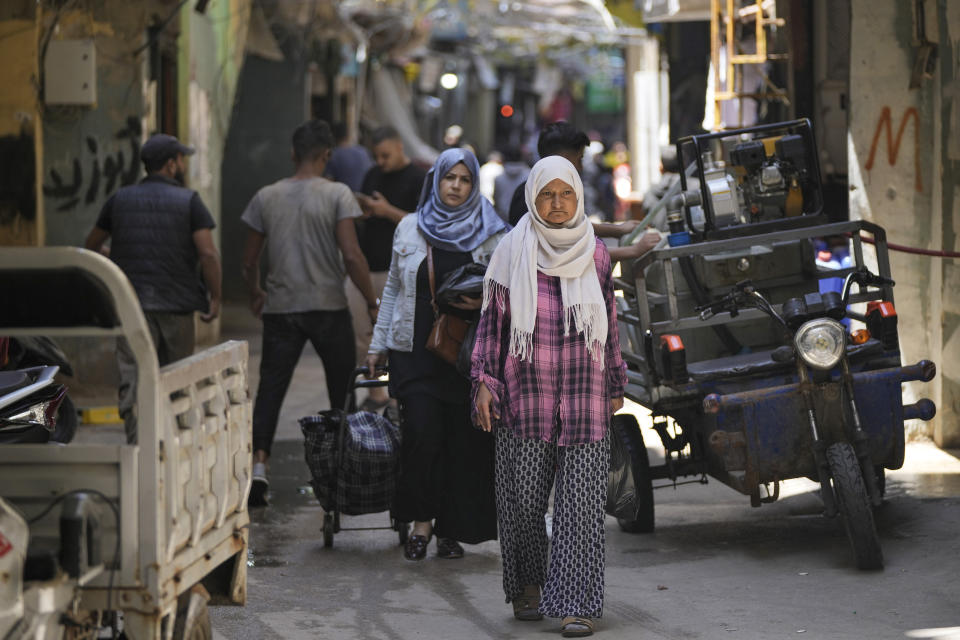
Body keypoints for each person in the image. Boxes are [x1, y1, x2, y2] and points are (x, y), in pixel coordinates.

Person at [472, 156, 627, 637]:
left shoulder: (597, 253)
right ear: (531, 198)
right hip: (527, 396)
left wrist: (617, 382)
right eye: (547, 195)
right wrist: (484, 380)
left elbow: (610, 323)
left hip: (585, 396)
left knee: (580, 506)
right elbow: (493, 327)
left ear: (578, 197)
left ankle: (575, 603)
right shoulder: (510, 251)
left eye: (566, 195)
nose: (557, 205)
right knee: (523, 503)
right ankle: (529, 585)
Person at [365, 148, 509, 561]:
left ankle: (453, 529)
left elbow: (504, 295)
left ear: (473, 184)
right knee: (423, 434)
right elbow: (393, 288)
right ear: (436, 180)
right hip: (415, 348)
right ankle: (421, 521)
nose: (456, 187)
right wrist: (377, 346)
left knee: (465, 443)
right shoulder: (410, 227)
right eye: (450, 178)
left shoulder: (493, 231)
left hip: (469, 354)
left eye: (464, 180)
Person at [241, 120, 379, 507]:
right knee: (340, 387)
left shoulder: (265, 196)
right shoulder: (337, 194)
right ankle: (339, 466)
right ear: (327, 156)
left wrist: (255, 291)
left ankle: (259, 468)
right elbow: (351, 255)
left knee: (271, 388)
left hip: (282, 308)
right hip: (328, 306)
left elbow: (249, 259)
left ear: (292, 154)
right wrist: (370, 301)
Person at [84, 133, 221, 445]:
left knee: (134, 377)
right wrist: (215, 296)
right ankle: (174, 446)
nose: (183, 164)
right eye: (181, 159)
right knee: (177, 378)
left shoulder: (119, 199)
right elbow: (208, 254)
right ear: (171, 164)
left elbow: (91, 246)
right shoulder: (190, 202)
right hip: (177, 308)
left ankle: (137, 445)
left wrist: (116, 261)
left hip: (131, 307)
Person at [350, 126, 427, 411]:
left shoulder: (418, 179)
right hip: (366, 267)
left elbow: (425, 223)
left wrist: (387, 211)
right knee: (363, 334)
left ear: (399, 146)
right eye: (376, 156)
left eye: (385, 155)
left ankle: (398, 395)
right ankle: (377, 393)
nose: (380, 161)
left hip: (398, 270)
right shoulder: (372, 175)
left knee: (398, 334)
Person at [507, 122, 660, 262]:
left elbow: (572, 228)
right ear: (561, 160)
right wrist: (633, 250)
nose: (580, 168)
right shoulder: (535, 198)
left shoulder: (538, 191)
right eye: (578, 160)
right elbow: (565, 255)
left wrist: (618, 230)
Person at [324, 121, 373, 192]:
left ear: (333, 137)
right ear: (348, 135)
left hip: (346, 199)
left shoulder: (333, 155)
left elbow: (328, 182)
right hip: (365, 198)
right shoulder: (364, 151)